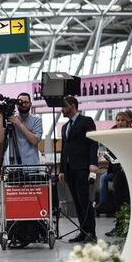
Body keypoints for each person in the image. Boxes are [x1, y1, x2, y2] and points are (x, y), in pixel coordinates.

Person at [59, 96, 98, 243]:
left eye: (64, 106)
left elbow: (93, 143)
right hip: (69, 169)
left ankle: (91, 232)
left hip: (82, 167)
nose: (61, 109)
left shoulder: (86, 121)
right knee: (76, 201)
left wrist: (93, 163)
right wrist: (62, 169)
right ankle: (83, 231)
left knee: (84, 200)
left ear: (73, 106)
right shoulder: (65, 127)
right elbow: (64, 149)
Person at [0, 92, 42, 165]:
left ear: (30, 104)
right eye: (20, 102)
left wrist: (19, 124)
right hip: (12, 166)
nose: (23, 105)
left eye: (26, 102)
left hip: (31, 165)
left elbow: (35, 141)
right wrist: (0, 118)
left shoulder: (36, 119)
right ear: (16, 104)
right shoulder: (10, 119)